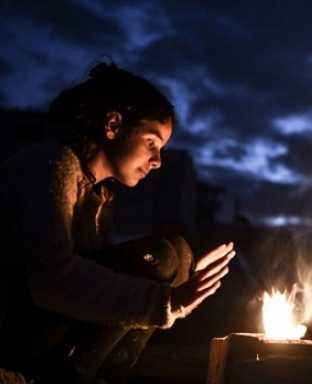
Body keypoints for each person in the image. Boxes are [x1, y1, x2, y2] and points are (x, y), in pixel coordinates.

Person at [0, 63, 235, 383]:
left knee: (180, 258)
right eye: (152, 142)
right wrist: (168, 299)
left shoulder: (98, 196)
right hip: (12, 334)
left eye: (162, 149)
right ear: (113, 124)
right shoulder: (52, 165)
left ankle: (103, 375)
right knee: (166, 257)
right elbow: (52, 281)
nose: (157, 161)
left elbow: (104, 292)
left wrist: (183, 287)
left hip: (39, 326)